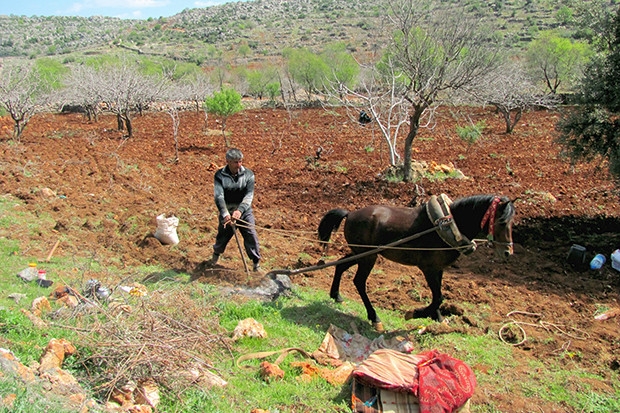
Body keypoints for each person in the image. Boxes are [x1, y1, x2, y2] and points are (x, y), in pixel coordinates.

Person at [211, 148, 262, 271]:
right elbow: (219, 196)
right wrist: (225, 213)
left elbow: (249, 195)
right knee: (222, 236)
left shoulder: (249, 174)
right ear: (227, 161)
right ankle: (215, 257)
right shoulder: (219, 175)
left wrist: (240, 210)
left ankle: (256, 264)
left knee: (251, 235)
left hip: (244, 211)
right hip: (227, 210)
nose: (238, 165)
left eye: (240, 162)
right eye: (235, 162)